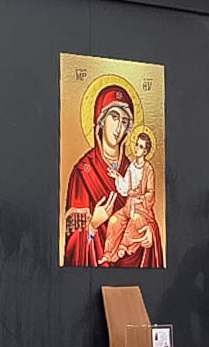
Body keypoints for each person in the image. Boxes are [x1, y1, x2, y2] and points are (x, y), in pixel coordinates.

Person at [62, 85, 163, 267]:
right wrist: (93, 224)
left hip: (132, 262)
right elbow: (72, 246)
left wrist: (150, 232)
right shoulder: (83, 172)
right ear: (100, 120)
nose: (119, 127)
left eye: (124, 121)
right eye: (114, 117)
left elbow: (147, 211)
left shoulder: (133, 168)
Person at [100, 130, 159, 265]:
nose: (137, 148)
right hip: (129, 205)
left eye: (141, 147)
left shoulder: (148, 169)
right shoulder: (131, 167)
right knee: (114, 219)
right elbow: (125, 188)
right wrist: (117, 176)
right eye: (137, 145)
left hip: (142, 209)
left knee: (135, 220)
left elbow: (151, 193)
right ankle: (108, 254)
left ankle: (123, 247)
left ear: (145, 151)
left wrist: (141, 199)